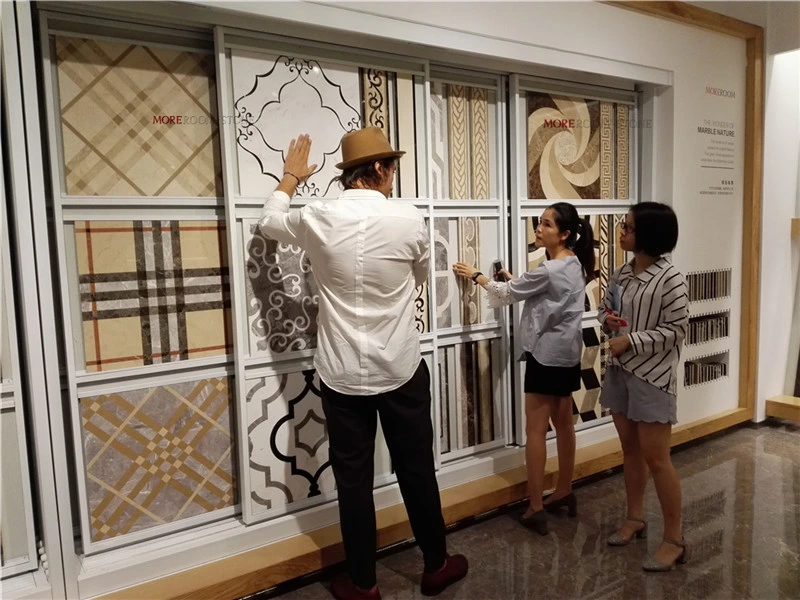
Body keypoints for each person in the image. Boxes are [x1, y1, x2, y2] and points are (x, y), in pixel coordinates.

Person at [260, 128, 468, 600]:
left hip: (341, 373)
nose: (394, 175)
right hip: (400, 368)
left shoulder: (317, 216)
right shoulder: (408, 221)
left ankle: (363, 584)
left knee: (353, 481)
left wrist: (291, 176)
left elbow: (270, 221)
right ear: (377, 169)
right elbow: (419, 279)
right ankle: (436, 566)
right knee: (417, 469)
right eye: (391, 166)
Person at [453, 202, 594, 535]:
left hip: (545, 356)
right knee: (563, 424)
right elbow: (545, 295)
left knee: (535, 430)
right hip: (567, 355)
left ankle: (535, 506)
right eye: (539, 223)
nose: (538, 229)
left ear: (564, 234)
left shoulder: (548, 270)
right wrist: (517, 280)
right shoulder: (573, 264)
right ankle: (564, 490)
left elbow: (505, 294)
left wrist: (476, 275)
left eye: (546, 225)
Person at [598, 202, 688, 572]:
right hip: (619, 371)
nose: (622, 232)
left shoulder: (671, 278)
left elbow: (677, 330)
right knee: (630, 450)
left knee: (657, 459)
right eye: (625, 225)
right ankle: (635, 518)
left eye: (629, 227)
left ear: (648, 234)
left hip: (653, 376)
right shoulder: (621, 271)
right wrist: (608, 321)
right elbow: (605, 309)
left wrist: (631, 340)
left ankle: (675, 539)